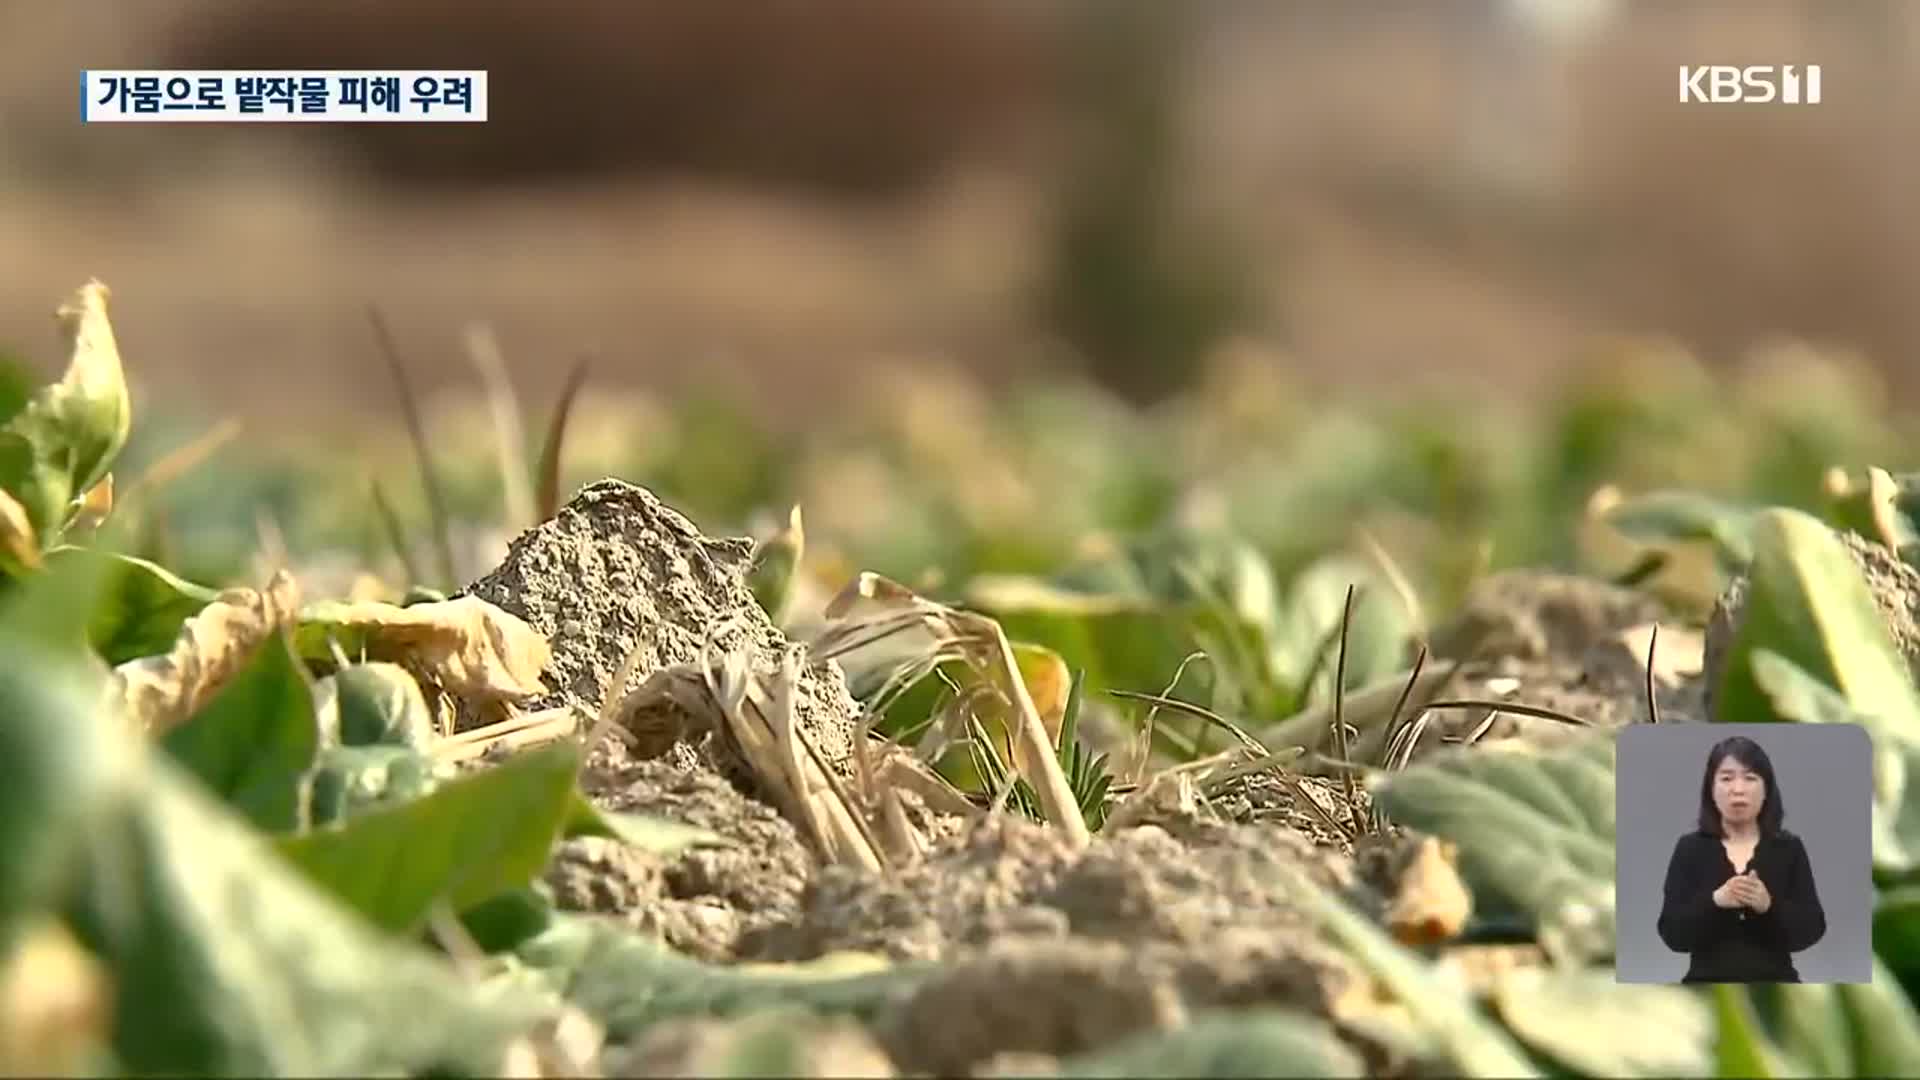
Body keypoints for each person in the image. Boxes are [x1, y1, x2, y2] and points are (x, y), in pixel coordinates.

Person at [1656, 735, 1827, 983]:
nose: (1738, 789)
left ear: (1766, 789)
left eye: (1750, 778)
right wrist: (1716, 901)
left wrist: (1768, 906)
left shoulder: (1788, 849)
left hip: (1777, 988)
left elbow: (1812, 929)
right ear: (1711, 790)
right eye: (1726, 778)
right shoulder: (1689, 848)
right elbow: (1672, 933)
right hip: (1708, 987)